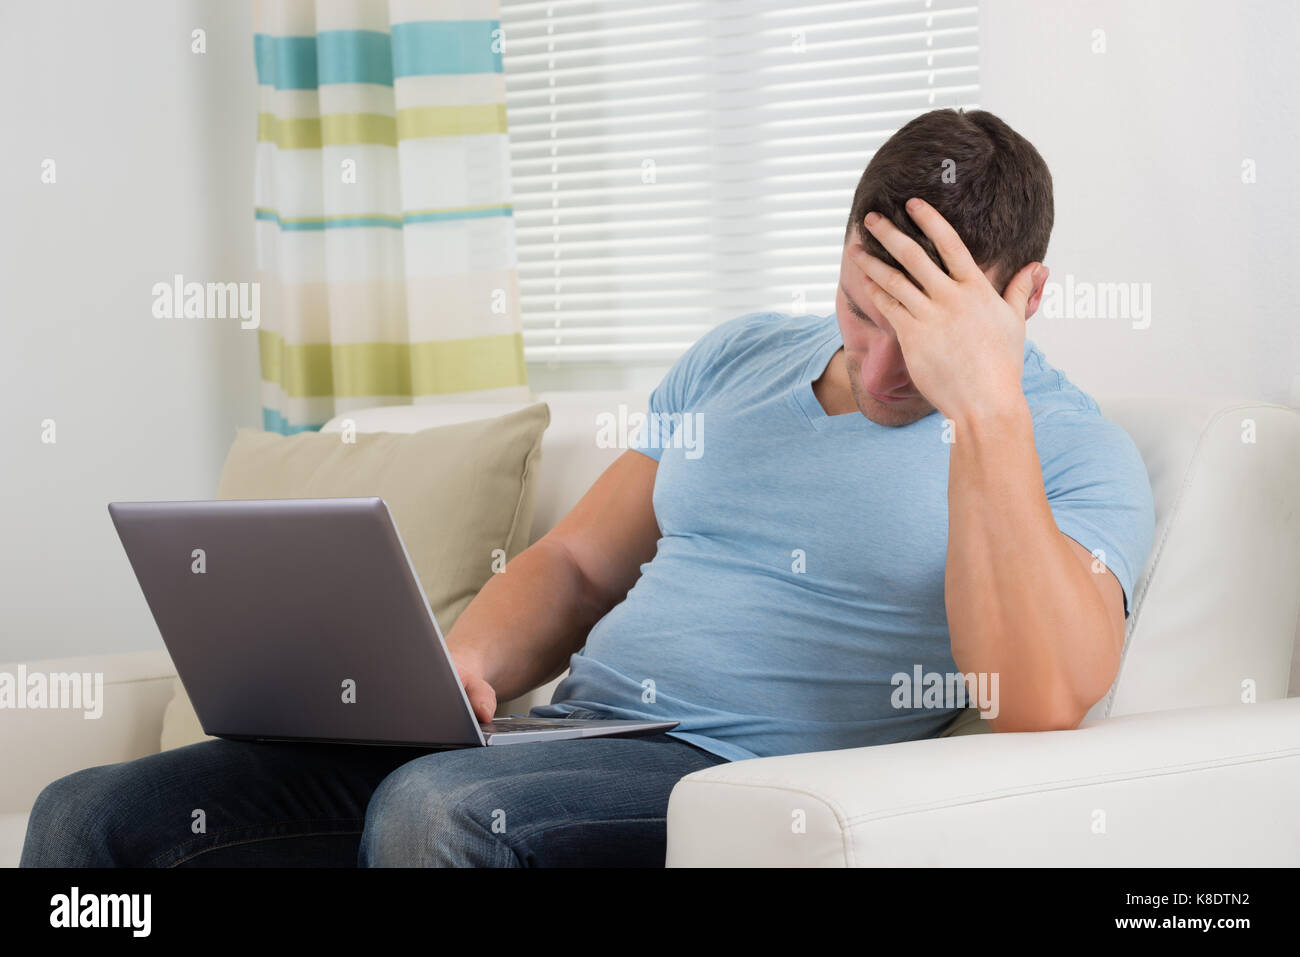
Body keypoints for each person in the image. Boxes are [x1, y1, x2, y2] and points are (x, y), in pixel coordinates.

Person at [21, 108, 1155, 868]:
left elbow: (1041, 702)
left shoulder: (1063, 447)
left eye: (922, 335)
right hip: (564, 737)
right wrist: (468, 666)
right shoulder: (738, 358)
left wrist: (983, 406)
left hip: (732, 780)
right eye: (863, 311)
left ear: (1026, 296)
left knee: (435, 817)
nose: (879, 368)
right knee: (89, 816)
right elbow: (572, 564)